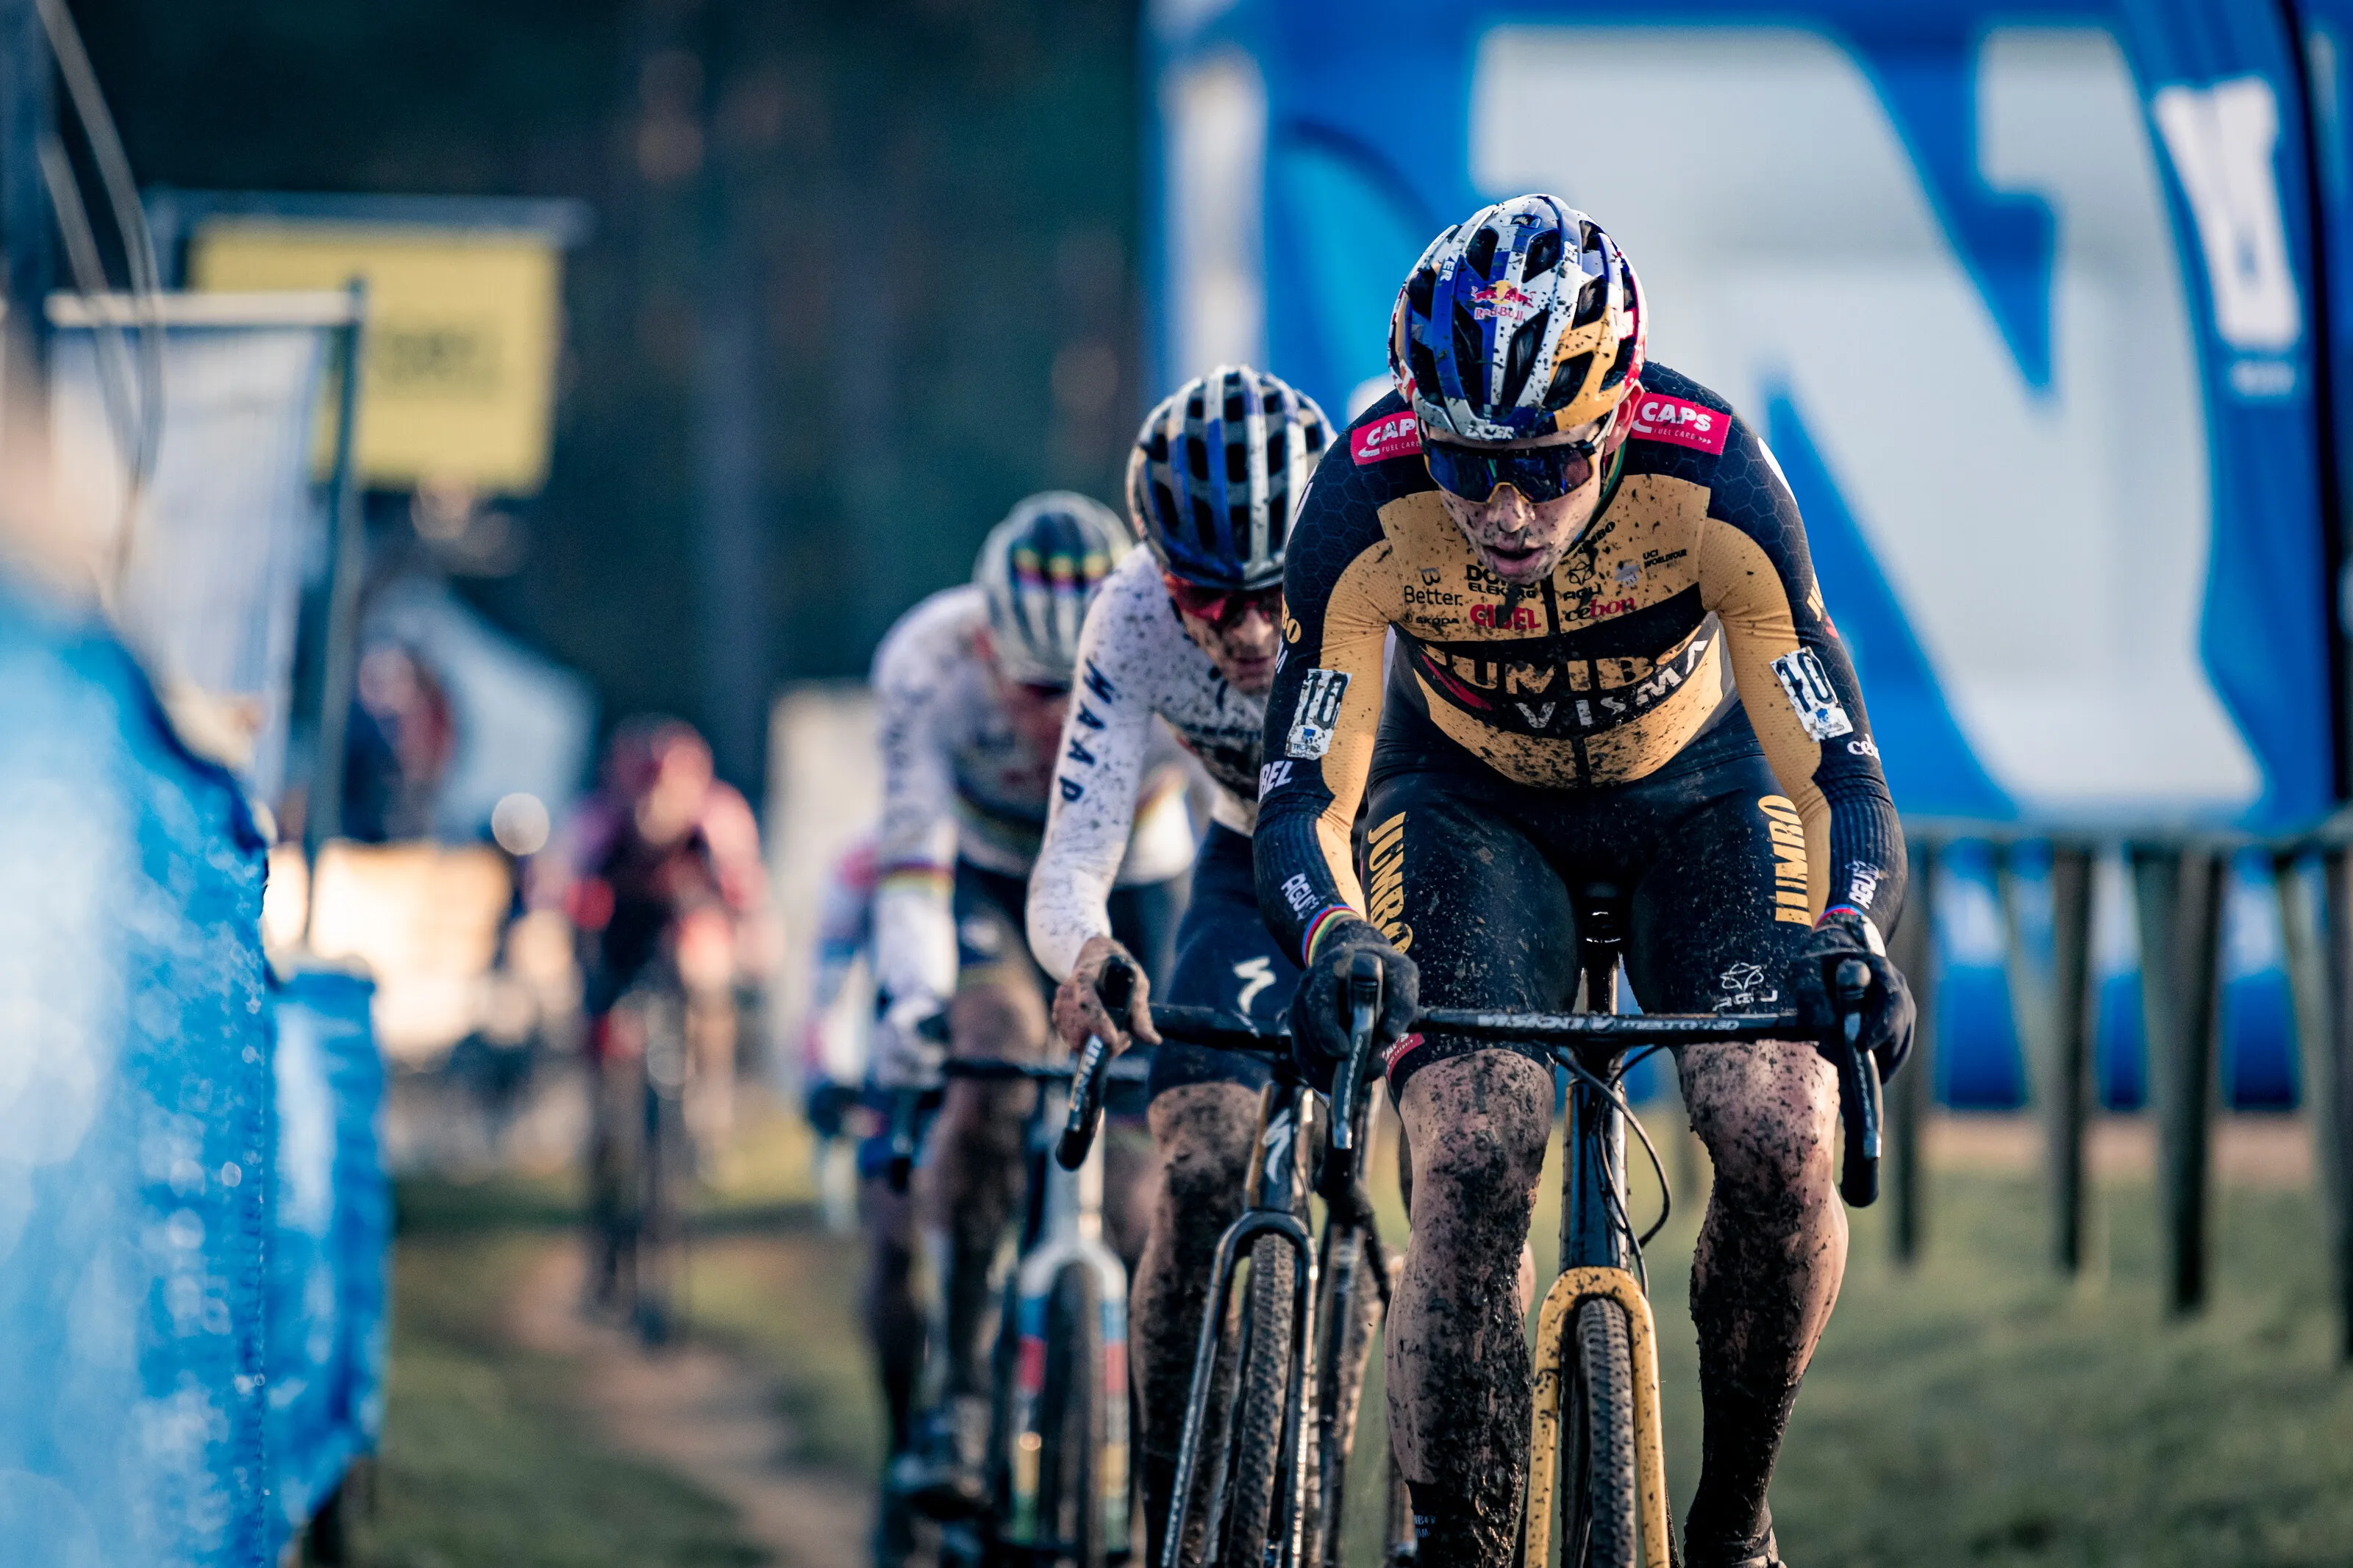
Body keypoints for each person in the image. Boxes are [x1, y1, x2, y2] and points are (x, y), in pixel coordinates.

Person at [1252, 197, 1915, 1568]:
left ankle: (1733, 1521)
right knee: (1473, 1140)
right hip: (1466, 809)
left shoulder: (1715, 476)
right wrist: (1334, 937)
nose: (1506, 512)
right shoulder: (1360, 503)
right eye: (1467, 462)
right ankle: (1453, 1534)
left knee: (1781, 1124)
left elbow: (1843, 772)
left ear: (1614, 422)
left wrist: (1852, 929)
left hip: (1700, 800)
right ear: (1418, 425)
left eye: (1551, 464)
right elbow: (1305, 792)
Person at [1026, 364, 1332, 1561]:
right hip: (1250, 862)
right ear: (1160, 573)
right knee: (1199, 1165)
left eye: (1272, 593)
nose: (1246, 632)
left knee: (1470, 1165)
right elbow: (1072, 859)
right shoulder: (1130, 618)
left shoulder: (1384, 563)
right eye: (1208, 595)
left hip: (1407, 856)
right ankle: (1171, 1525)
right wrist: (1089, 950)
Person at [867, 492, 1197, 1525]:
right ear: (982, 644)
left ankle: (1149, 1468)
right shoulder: (925, 664)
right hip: (987, 880)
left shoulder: (1171, 644)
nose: (1062, 719)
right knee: (989, 1067)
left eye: (1085, 683)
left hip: (1136, 884)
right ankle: (961, 1395)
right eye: (1036, 689)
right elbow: (911, 859)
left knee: (1147, 1190)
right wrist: (917, 1003)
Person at [538, 717, 768, 1302]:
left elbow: (745, 898)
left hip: (679, 936)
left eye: (670, 793)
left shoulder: (718, 819)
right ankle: (605, 1172)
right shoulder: (598, 823)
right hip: (616, 942)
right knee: (605, 1074)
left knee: (707, 976)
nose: (657, 809)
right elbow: (561, 899)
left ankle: (709, 1106)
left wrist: (749, 950)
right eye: (647, 794)